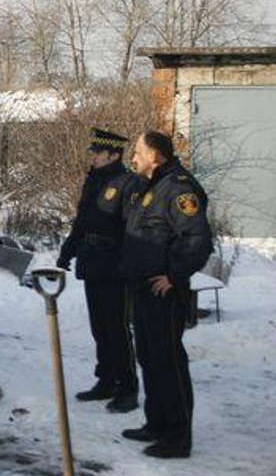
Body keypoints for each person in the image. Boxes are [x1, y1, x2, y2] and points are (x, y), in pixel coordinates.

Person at [119, 131, 213, 459]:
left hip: (164, 292)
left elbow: (198, 240)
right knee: (148, 357)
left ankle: (177, 436)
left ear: (155, 156)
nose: (133, 157)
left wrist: (174, 275)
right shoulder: (153, 184)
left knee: (167, 362)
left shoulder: (179, 188)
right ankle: (156, 423)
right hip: (143, 288)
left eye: (138, 151)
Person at [57, 128, 140, 413]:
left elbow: (134, 230)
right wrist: (67, 251)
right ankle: (105, 381)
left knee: (117, 329)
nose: (91, 156)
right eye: (92, 152)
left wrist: (125, 264)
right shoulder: (94, 180)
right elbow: (83, 222)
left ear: (113, 155)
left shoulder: (128, 183)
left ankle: (127, 388)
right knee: (99, 328)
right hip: (93, 260)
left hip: (115, 265)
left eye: (97, 153)